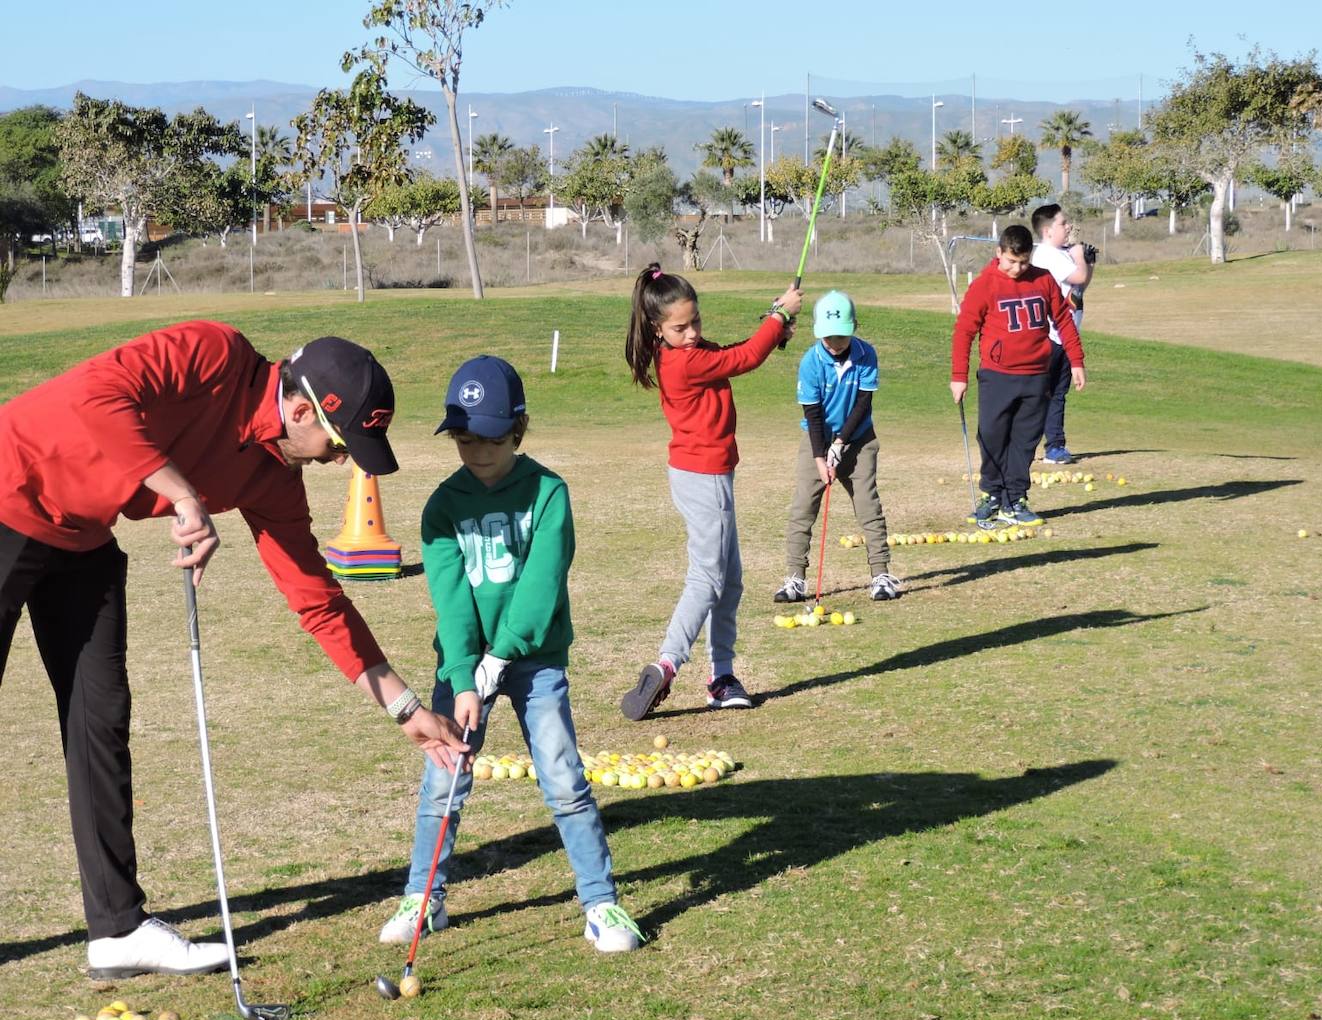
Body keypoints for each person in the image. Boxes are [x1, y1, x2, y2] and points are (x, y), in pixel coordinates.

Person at [0, 320, 470, 979]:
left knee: (99, 721)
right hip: (9, 485)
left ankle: (116, 928)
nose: (342, 462)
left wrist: (406, 709)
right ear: (302, 410)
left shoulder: (274, 478)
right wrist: (183, 493)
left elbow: (318, 600)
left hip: (82, 536)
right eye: (340, 445)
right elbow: (97, 398)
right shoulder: (212, 352)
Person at [379, 355, 645, 953]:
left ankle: (601, 904)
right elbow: (450, 603)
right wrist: (464, 675)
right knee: (443, 782)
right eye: (466, 439)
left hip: (535, 660)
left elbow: (541, 583)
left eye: (492, 439)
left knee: (563, 778)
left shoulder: (549, 493)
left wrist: (501, 657)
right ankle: (424, 899)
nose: (477, 452)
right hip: (462, 664)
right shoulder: (441, 507)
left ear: (518, 431)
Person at [619, 264, 804, 720]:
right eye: (680, 328)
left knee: (730, 579)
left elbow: (737, 352)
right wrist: (779, 316)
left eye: (695, 321)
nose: (692, 333)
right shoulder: (683, 362)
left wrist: (773, 329)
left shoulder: (692, 352)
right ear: (658, 330)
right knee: (708, 578)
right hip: (703, 478)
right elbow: (743, 360)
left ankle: (722, 676)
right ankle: (668, 662)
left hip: (706, 475)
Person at [950, 226, 1086, 530]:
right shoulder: (985, 285)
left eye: (1023, 262)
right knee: (992, 436)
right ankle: (993, 497)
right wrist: (959, 376)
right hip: (997, 377)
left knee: (1025, 441)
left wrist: (1076, 361)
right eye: (1011, 261)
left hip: (1037, 375)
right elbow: (964, 332)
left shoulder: (1043, 279)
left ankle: (1015, 499)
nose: (1017, 268)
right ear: (999, 253)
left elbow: (1063, 320)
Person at [774, 291, 900, 604]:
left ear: (854, 326)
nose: (835, 343)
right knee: (803, 506)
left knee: (868, 504)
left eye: (841, 336)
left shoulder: (866, 355)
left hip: (859, 440)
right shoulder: (811, 362)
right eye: (829, 337)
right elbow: (812, 415)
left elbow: (862, 403)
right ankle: (795, 578)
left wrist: (841, 443)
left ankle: (881, 575)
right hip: (816, 439)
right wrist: (821, 456)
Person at [1030, 203, 1096, 464]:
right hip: (1050, 336)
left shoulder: (1062, 254)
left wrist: (1088, 261)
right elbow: (1078, 276)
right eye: (1062, 223)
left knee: (1058, 393)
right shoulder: (1048, 255)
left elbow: (1081, 286)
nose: (1068, 227)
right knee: (1040, 394)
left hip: (1067, 334)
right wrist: (1079, 255)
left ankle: (1055, 446)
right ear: (1047, 231)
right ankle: (1028, 444)